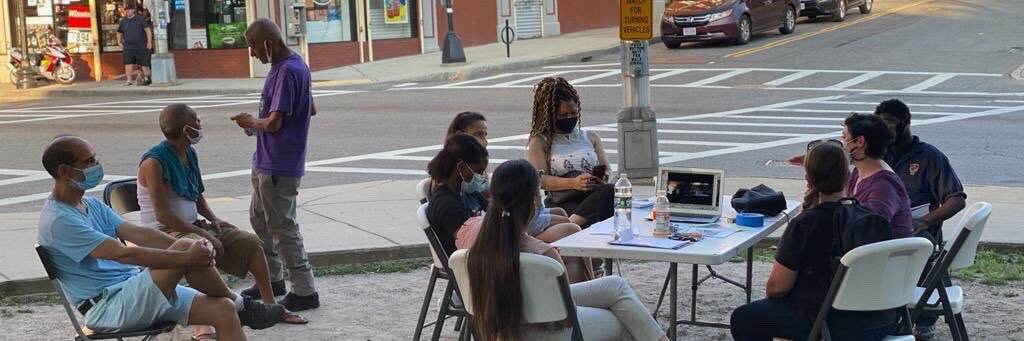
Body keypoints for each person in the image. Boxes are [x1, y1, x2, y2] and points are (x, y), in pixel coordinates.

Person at [37, 136, 284, 341]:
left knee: (223, 309)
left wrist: (197, 247)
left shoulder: (89, 203)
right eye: (89, 161)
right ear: (64, 171)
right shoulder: (59, 220)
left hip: (133, 290)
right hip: (108, 306)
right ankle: (245, 306)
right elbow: (124, 253)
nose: (96, 165)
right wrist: (186, 254)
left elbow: (140, 234)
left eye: (95, 158)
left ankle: (239, 306)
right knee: (187, 248)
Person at [137, 104, 307, 339]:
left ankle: (269, 306)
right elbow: (162, 216)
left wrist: (214, 220)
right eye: (196, 121)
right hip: (166, 233)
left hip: (192, 226)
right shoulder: (153, 162)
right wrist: (205, 235)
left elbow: (196, 193)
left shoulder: (189, 153)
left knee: (249, 241)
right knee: (201, 250)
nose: (200, 125)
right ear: (186, 129)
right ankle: (203, 325)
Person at [464, 159, 668, 341]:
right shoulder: (543, 255)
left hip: (502, 330)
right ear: (534, 202)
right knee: (626, 319)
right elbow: (566, 318)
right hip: (546, 332)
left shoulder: (475, 252)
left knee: (615, 286)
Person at [730, 142, 899, 341]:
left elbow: (776, 288)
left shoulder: (805, 224)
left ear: (808, 178)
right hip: (881, 321)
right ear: (847, 176)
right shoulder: (873, 218)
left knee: (744, 318)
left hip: (830, 325)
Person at [230, 18, 319, 312]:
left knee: (282, 227)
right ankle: (274, 278)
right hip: (265, 159)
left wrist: (252, 122)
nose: (252, 52)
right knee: (260, 220)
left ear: (268, 43)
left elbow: (275, 121)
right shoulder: (288, 67)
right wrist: (257, 126)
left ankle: (304, 290)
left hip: (280, 164)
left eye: (253, 46)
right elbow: (311, 108)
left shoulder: (288, 70)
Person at [874, 99, 967, 340]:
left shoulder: (929, 156)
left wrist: (925, 220)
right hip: (885, 228)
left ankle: (923, 317)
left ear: (906, 122)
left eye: (890, 124)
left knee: (921, 245)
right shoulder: (880, 153)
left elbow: (956, 199)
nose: (885, 131)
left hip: (920, 230)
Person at [442, 112, 577, 248]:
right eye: (478, 134)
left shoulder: (468, 186)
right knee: (570, 230)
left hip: (503, 228)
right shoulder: (447, 200)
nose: (484, 141)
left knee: (563, 218)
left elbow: (493, 206)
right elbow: (472, 239)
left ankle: (587, 269)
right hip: (500, 240)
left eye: (485, 135)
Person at [527, 77, 613, 229]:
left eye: (573, 113)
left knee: (612, 191)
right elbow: (539, 180)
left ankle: (569, 227)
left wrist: (602, 177)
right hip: (563, 203)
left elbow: (606, 168)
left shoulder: (591, 137)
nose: (569, 118)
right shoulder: (540, 141)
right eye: (562, 115)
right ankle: (569, 227)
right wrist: (573, 183)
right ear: (549, 115)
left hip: (593, 198)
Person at [843, 113, 914, 238]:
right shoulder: (857, 172)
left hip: (883, 254)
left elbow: (872, 228)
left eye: (844, 137)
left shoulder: (883, 184)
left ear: (859, 141)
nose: (842, 143)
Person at [116, 4, 152, 86]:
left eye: (130, 9)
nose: (128, 11)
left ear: (133, 10)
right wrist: (119, 42)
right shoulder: (123, 21)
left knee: (144, 64)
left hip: (141, 45)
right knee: (128, 64)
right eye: (126, 10)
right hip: (128, 46)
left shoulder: (140, 19)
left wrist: (149, 42)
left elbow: (147, 30)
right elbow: (119, 32)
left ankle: (147, 79)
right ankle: (129, 81)